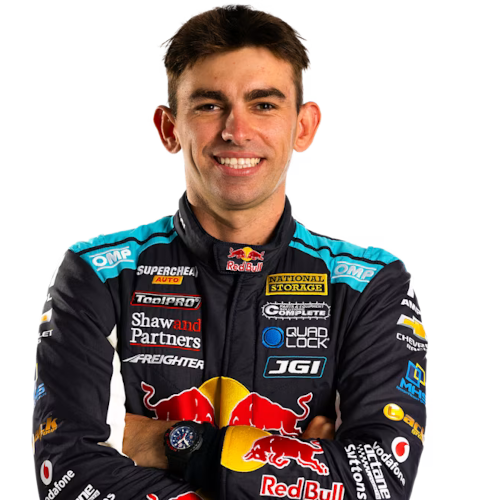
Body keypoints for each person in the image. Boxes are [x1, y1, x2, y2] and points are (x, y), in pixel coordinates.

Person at [32, 2, 428, 499]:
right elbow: (68, 475)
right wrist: (297, 463)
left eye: (263, 105)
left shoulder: (371, 283)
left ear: (303, 126)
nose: (236, 131)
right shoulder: (96, 273)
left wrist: (171, 444)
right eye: (208, 105)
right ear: (169, 129)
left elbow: (378, 478)